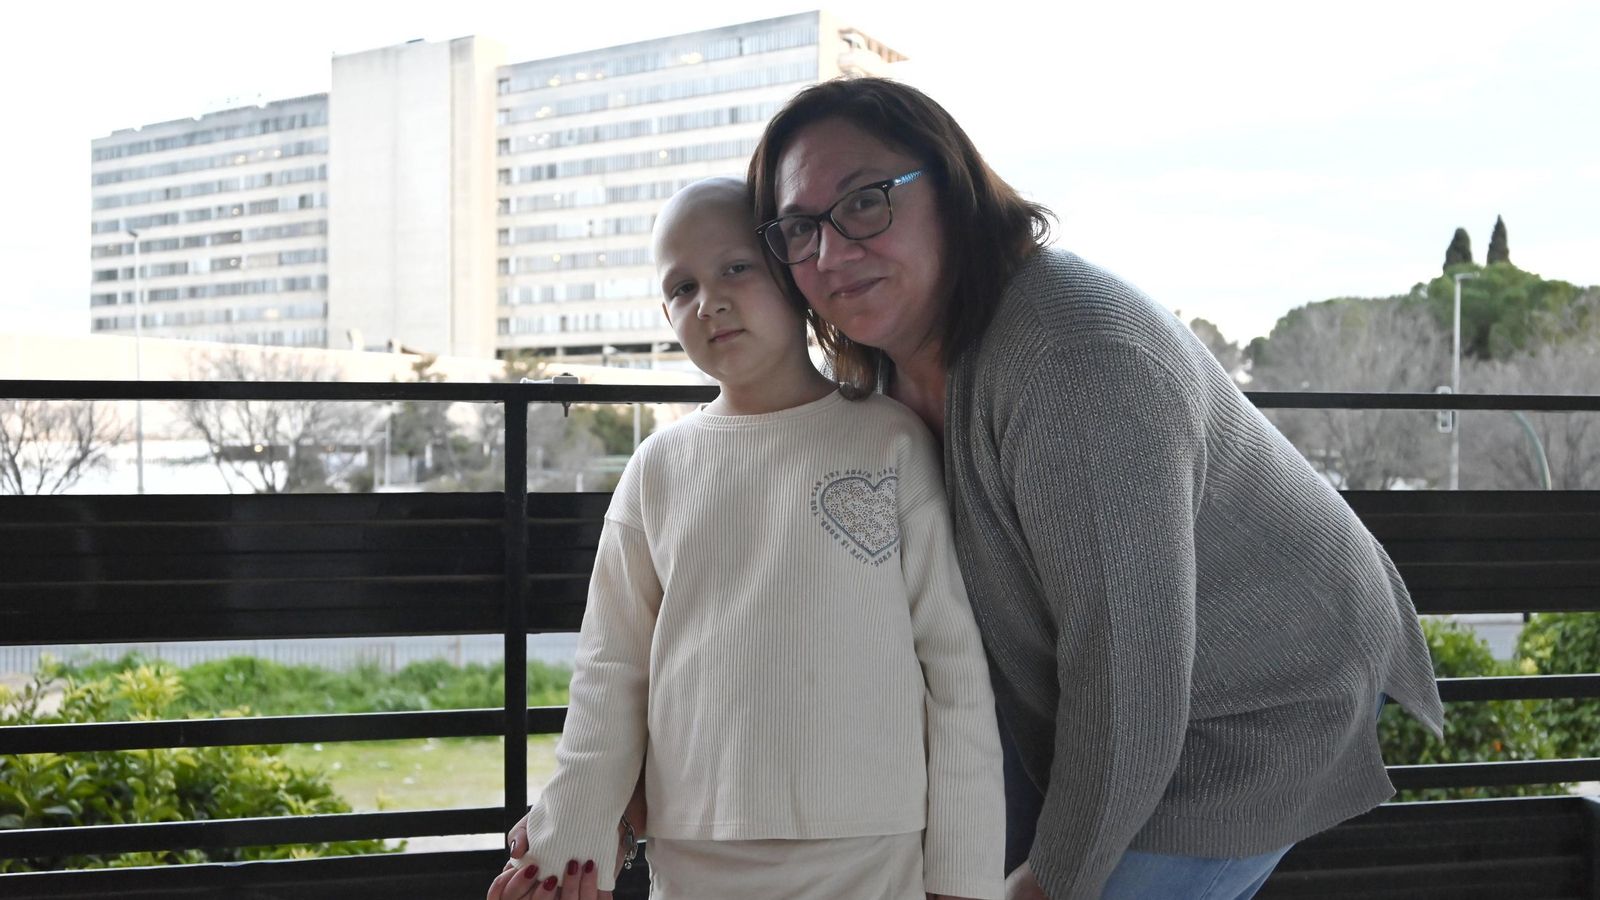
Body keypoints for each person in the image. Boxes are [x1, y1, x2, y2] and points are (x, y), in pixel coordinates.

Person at [745, 78, 1446, 900]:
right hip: (1081, 702)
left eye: (865, 203)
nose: (831, 252)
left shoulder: (1071, 361)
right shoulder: (879, 376)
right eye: (799, 229)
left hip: (1256, 700)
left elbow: (1129, 671)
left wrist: (1048, 880)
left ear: (954, 187)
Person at [486, 176, 1005, 900]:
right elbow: (610, 669)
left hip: (871, 845)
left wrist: (967, 877)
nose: (710, 301)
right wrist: (571, 835)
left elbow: (953, 675)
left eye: (736, 268)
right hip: (696, 845)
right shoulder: (658, 467)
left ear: (794, 275)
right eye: (680, 287)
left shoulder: (889, 439)